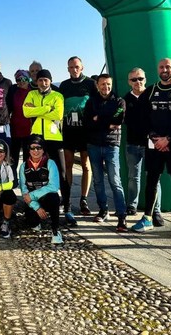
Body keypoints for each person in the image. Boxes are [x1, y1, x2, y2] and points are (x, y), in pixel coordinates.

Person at [132, 58, 171, 238]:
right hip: (154, 142)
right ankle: (147, 218)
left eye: (168, 66)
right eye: (161, 67)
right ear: (157, 69)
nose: (165, 69)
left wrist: (167, 139)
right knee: (151, 179)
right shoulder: (151, 91)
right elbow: (141, 117)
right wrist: (154, 137)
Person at [23, 69, 74, 225]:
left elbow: (58, 115)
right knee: (34, 174)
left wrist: (37, 111)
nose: (43, 83)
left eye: (46, 80)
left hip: (54, 138)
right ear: (36, 82)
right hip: (37, 138)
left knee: (62, 174)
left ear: (50, 81)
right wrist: (47, 109)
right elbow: (26, 112)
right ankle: (35, 207)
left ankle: (67, 207)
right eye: (40, 80)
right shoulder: (31, 94)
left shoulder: (57, 96)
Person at [84, 74, 128, 232]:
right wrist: (105, 121)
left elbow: (117, 120)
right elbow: (87, 123)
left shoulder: (119, 101)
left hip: (111, 145)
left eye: (108, 84)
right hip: (94, 145)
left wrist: (99, 118)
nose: (106, 87)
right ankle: (103, 210)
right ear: (97, 85)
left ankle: (122, 216)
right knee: (97, 181)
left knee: (115, 181)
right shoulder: (91, 102)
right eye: (102, 84)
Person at [123, 67, 162, 223]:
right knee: (133, 177)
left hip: (151, 144)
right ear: (129, 82)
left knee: (154, 179)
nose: (137, 82)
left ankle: (156, 210)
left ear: (145, 79)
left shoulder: (153, 96)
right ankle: (132, 205)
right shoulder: (125, 99)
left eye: (140, 79)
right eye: (134, 79)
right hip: (132, 144)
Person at [59, 56, 96, 216]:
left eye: (77, 67)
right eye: (71, 67)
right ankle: (66, 198)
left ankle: (84, 199)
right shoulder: (64, 86)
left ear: (82, 67)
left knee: (86, 166)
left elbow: (98, 103)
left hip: (85, 132)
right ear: (67, 69)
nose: (74, 70)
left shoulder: (90, 84)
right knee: (67, 165)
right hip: (68, 131)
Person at [19, 135, 63, 245]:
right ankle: (37, 219)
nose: (35, 151)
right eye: (32, 148)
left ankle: (56, 230)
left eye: (38, 148)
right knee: (32, 223)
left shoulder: (50, 163)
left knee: (54, 198)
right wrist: (36, 207)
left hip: (46, 198)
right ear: (28, 150)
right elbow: (24, 191)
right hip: (33, 203)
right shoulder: (23, 167)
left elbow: (54, 186)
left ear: (43, 150)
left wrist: (33, 195)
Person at [6, 70, 32, 178]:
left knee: (28, 157)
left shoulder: (33, 92)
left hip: (29, 130)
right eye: (18, 79)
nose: (21, 82)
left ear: (28, 79)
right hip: (15, 128)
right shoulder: (13, 91)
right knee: (13, 157)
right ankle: (13, 179)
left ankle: (26, 180)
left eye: (24, 79)